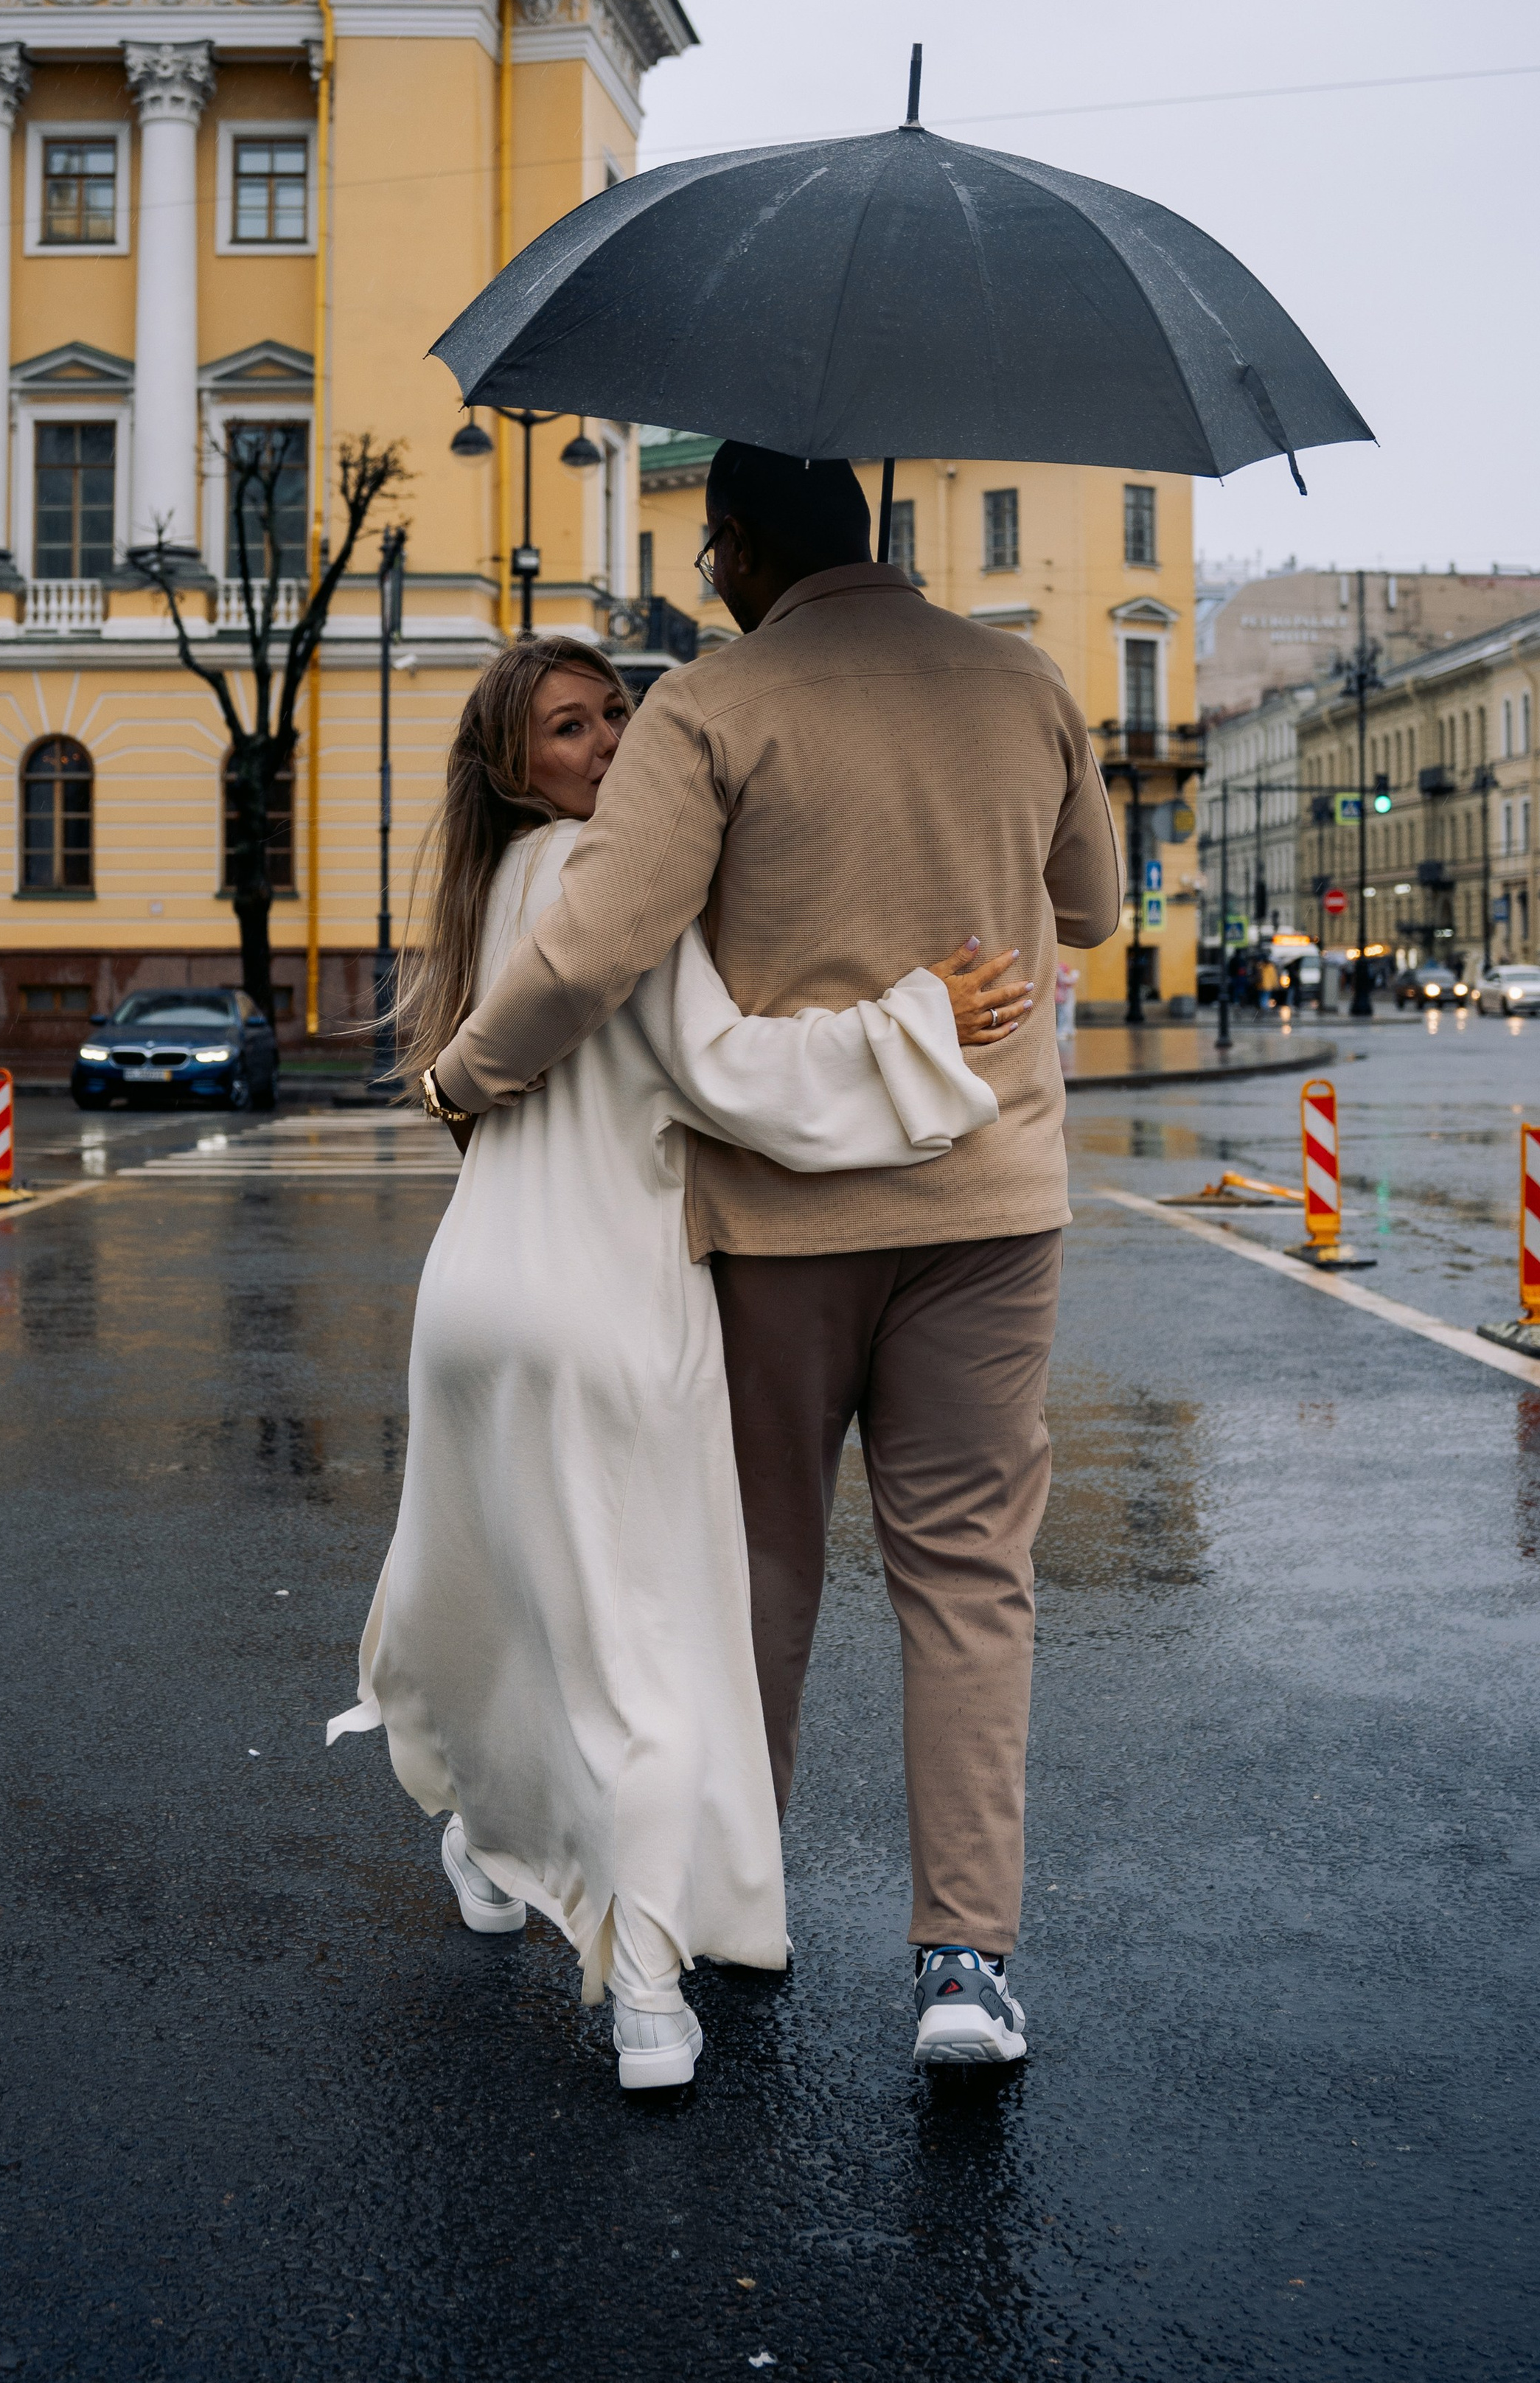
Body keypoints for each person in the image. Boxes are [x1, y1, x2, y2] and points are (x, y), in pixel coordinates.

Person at [433, 444, 1123, 2070]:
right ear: (874, 529)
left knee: (750, 1574)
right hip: (990, 1202)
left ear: (736, 545)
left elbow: (593, 949)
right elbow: (1089, 904)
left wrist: (463, 1072)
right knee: (968, 1578)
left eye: (710, 541)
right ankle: (964, 1966)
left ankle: (728, 1905)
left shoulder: (713, 705)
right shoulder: (1025, 683)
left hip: (779, 1220)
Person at [329, 636, 1031, 2090]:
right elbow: (730, 1071)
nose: (604, 744)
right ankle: (646, 1991)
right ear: (518, 772)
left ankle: (477, 1840)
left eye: (616, 716)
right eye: (568, 730)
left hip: (469, 1301)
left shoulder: (488, 894)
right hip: (600, 1305)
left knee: (510, 1593)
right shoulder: (612, 886)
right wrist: (922, 1023)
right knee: (643, 1644)